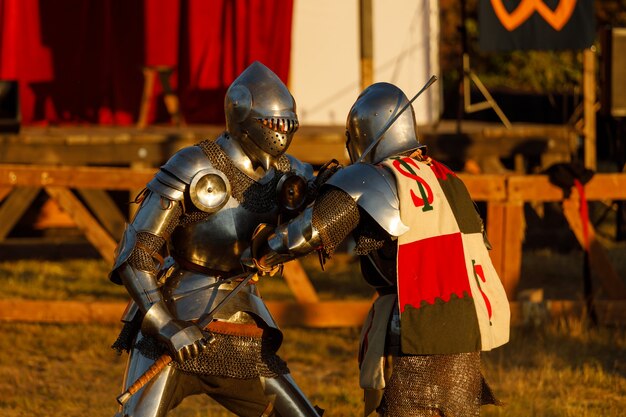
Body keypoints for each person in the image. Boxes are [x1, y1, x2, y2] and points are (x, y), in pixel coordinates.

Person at [251, 82, 510, 417]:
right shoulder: (447, 178)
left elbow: (305, 235)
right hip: (463, 326)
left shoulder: (375, 177)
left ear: (363, 133)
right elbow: (479, 245)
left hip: (413, 325)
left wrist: (262, 254)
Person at [109, 61, 324, 417]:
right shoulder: (193, 166)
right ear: (242, 117)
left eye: (288, 124)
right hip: (176, 312)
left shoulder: (291, 173)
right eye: (273, 124)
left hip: (243, 319)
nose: (282, 133)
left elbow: (320, 223)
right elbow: (136, 254)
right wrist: (166, 326)